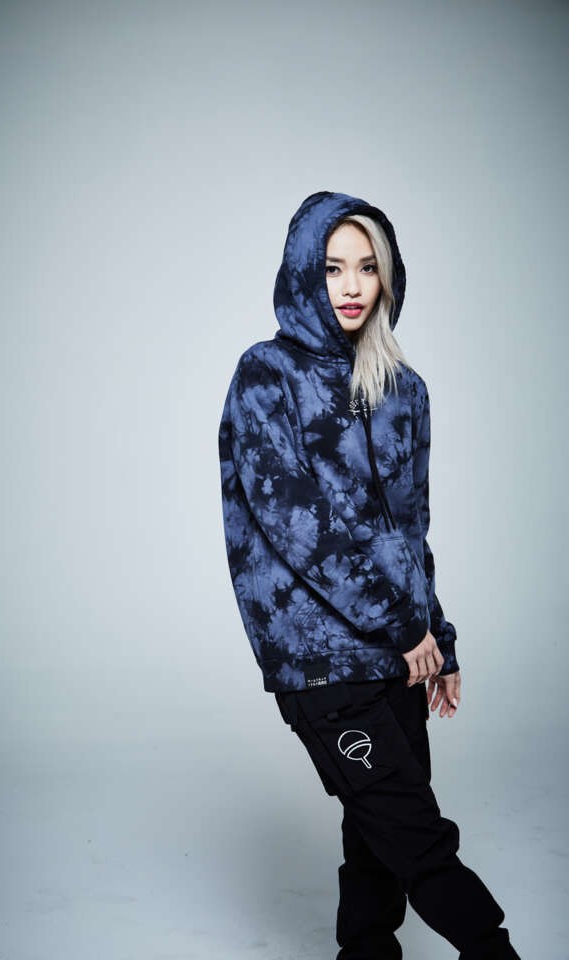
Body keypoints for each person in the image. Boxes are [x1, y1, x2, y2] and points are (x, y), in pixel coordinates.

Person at [217, 191, 523, 960]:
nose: (352, 285)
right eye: (332, 268)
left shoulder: (404, 390)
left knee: (377, 840)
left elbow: (408, 534)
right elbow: (300, 533)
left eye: (367, 267)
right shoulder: (266, 377)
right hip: (318, 658)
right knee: (419, 837)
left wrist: (437, 639)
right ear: (303, 273)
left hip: (398, 652)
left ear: (388, 277)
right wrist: (406, 627)